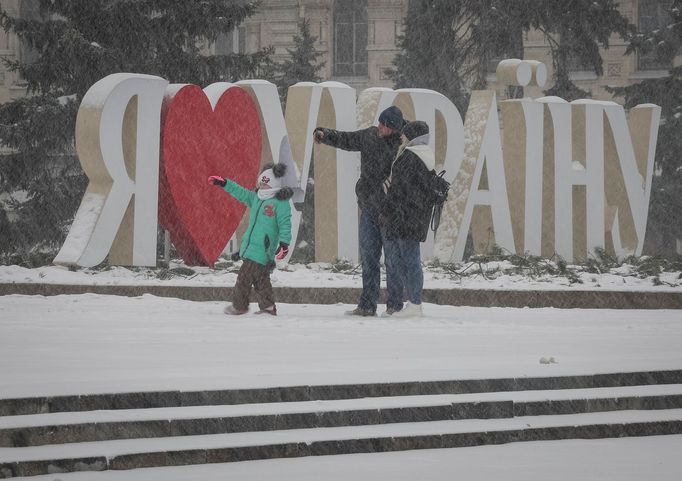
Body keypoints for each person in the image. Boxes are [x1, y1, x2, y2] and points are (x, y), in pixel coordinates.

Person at [313, 106, 406, 317]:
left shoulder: (402, 147)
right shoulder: (369, 136)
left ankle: (395, 306)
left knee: (393, 261)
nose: (381, 128)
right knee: (369, 259)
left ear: (395, 129)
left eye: (387, 126)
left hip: (391, 213)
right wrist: (325, 134)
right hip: (369, 210)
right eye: (381, 123)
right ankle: (367, 305)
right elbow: (347, 140)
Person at [208, 164, 292, 316]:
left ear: (273, 184)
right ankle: (267, 307)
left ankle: (240, 306)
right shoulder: (257, 198)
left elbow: (285, 224)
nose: (261, 186)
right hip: (251, 247)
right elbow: (240, 192)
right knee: (260, 279)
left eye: (265, 184)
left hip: (264, 248)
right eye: (260, 183)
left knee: (244, 278)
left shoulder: (280, 203)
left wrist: (284, 244)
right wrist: (225, 183)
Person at [380, 121, 435, 318]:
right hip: (413, 216)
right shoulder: (423, 156)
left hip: (405, 217)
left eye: (405, 134)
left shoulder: (411, 157)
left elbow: (401, 190)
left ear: (412, 136)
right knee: (403, 259)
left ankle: (415, 303)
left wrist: (388, 200)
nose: (401, 137)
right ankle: (413, 302)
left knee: (407, 260)